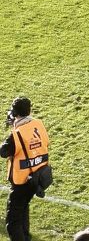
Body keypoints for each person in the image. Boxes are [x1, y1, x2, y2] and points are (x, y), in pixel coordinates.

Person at [0, 96, 50, 241]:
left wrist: (13, 129)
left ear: (15, 113)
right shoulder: (38, 124)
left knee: (13, 223)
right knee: (23, 209)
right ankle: (26, 237)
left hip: (22, 181)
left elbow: (4, 152)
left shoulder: (16, 135)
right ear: (29, 110)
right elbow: (45, 142)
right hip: (37, 176)